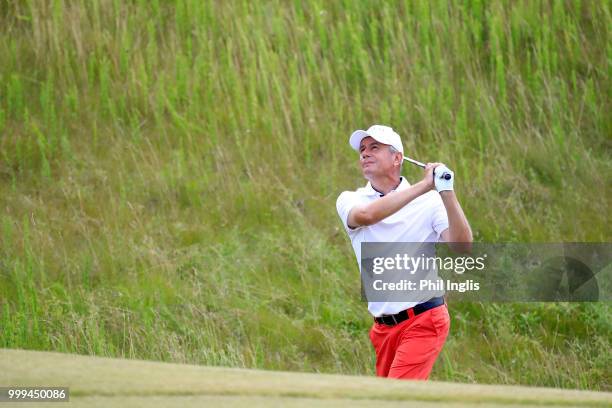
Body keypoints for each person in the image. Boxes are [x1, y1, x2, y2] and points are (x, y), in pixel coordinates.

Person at [336, 124, 472, 380]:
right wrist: (425, 185)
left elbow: (463, 247)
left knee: (395, 400)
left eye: (374, 147)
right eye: (363, 149)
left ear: (397, 158)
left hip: (424, 318)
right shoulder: (350, 200)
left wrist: (446, 192)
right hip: (383, 329)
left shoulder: (431, 202)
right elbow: (367, 216)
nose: (365, 153)